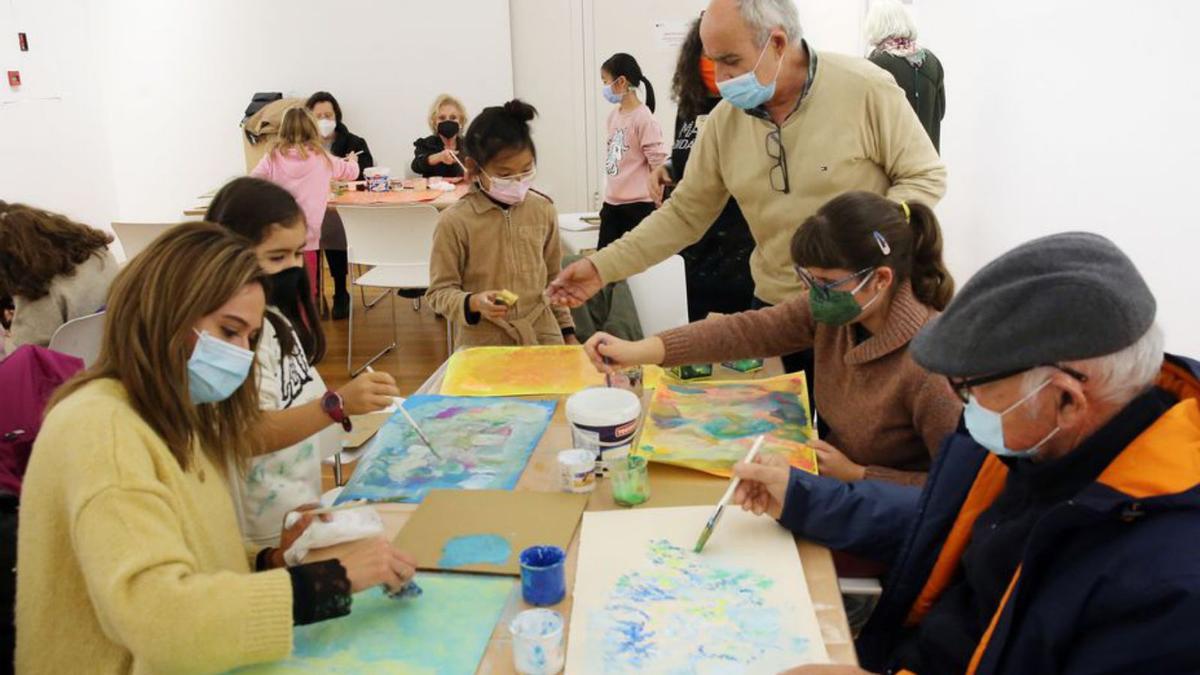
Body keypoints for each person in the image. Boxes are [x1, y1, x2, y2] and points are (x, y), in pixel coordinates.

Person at [734, 233, 1200, 675]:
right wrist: (802, 496)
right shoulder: (1039, 445)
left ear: (1066, 399)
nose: (966, 403)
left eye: (976, 389)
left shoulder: (1169, 589)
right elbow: (937, 520)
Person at [15, 223, 417, 674]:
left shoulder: (179, 415)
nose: (242, 355)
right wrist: (327, 582)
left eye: (249, 337)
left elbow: (190, 556)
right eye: (228, 331)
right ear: (166, 314)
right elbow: (161, 618)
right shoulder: (100, 428)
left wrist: (271, 561)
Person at [551, 0, 946, 376]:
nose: (721, 80)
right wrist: (601, 268)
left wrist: (867, 239)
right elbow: (684, 215)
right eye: (712, 62)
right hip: (776, 311)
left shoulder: (865, 88)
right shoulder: (725, 122)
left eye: (731, 62)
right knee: (783, 429)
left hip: (858, 304)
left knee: (851, 438)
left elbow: (925, 175)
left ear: (776, 43)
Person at [586, 191, 960, 485]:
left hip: (881, 517)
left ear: (880, 279)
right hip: (830, 482)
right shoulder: (839, 311)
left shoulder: (932, 369)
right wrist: (639, 350)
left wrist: (859, 475)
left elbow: (960, 492)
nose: (814, 294)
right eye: (808, 279)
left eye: (827, 282)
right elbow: (743, 332)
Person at [205, 177, 400, 549]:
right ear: (228, 254)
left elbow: (298, 402)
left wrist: (350, 408)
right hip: (257, 525)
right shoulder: (233, 339)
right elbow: (245, 434)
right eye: (277, 257)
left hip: (296, 505)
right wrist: (336, 405)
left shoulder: (278, 320)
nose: (294, 267)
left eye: (299, 254)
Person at [425, 99, 576, 349]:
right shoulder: (455, 221)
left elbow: (553, 279)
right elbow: (439, 292)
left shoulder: (543, 210)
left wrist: (568, 332)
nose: (517, 182)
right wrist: (473, 302)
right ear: (474, 168)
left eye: (526, 171)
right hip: (483, 339)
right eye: (505, 175)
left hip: (542, 332)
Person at [652, 17, 756, 321]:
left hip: (738, 244)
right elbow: (686, 155)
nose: (715, 66)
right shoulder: (690, 106)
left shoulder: (747, 107)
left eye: (726, 58)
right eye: (708, 57)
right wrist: (668, 167)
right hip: (694, 243)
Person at [250, 106, 360, 297]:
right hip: (308, 237)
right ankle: (307, 321)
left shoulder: (272, 157)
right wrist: (352, 161)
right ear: (313, 129)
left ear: (283, 130)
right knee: (307, 291)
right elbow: (352, 173)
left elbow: (252, 183)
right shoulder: (323, 158)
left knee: (282, 291)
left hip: (279, 236)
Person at [0, 201, 118, 354]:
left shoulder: (38, 291)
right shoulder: (100, 254)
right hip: (115, 356)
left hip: (69, 372)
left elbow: (21, 361)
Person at [307, 91, 375, 319]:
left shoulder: (354, 142)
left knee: (333, 225)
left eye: (328, 114)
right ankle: (314, 295)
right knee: (308, 225)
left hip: (343, 208)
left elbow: (366, 174)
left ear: (337, 116)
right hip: (312, 207)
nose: (324, 120)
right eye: (318, 116)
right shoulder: (303, 146)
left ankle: (339, 290)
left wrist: (345, 175)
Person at [598, 52, 668, 250]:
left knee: (638, 272)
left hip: (638, 207)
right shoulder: (614, 116)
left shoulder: (644, 118)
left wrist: (660, 199)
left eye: (605, 82)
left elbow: (658, 162)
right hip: (612, 204)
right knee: (605, 266)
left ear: (621, 82)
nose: (604, 88)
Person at [866, 0, 946, 152]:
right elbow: (940, 112)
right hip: (928, 163)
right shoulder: (932, 61)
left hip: (892, 167)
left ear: (875, 27)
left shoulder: (875, 64)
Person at [411, 94, 469, 179]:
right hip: (433, 191)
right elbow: (416, 166)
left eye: (453, 118)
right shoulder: (425, 144)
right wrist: (439, 157)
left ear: (461, 122)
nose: (448, 121)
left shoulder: (469, 146)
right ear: (435, 123)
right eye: (442, 118)